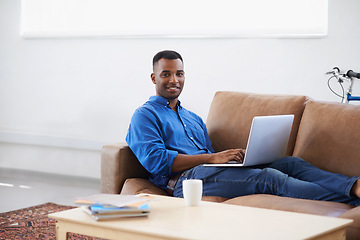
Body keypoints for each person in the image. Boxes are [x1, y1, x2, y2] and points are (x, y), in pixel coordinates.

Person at [126, 50, 360, 206]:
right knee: (270, 178)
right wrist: (213, 157)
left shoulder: (193, 117)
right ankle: (350, 201)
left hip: (208, 171)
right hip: (185, 183)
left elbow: (212, 159)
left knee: (290, 163)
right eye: (166, 74)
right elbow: (156, 161)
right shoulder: (145, 115)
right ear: (153, 78)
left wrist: (234, 159)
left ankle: (354, 185)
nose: (174, 80)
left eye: (179, 73)